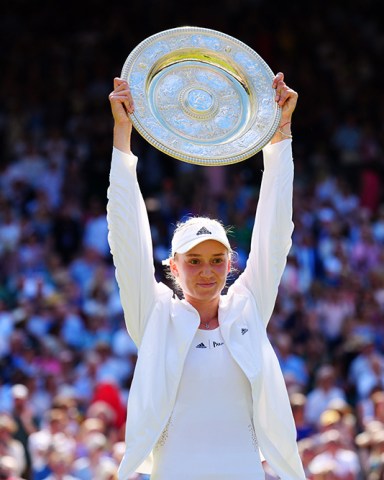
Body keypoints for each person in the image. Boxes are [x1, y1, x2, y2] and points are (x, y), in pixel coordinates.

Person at [107, 71, 305, 480]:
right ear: (173, 267)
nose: (207, 271)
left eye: (217, 259)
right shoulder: (156, 315)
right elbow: (125, 235)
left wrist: (280, 135)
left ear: (231, 264)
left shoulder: (248, 306)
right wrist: (122, 136)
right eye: (193, 261)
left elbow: (275, 231)